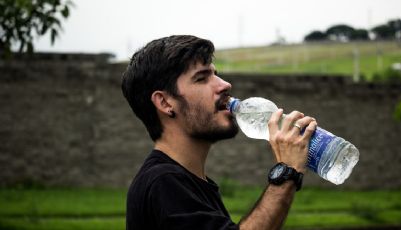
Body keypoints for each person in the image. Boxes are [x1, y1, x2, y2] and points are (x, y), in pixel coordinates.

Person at [122, 35, 317, 230]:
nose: (224, 85)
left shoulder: (189, 181)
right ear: (165, 103)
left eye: (215, 74)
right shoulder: (163, 182)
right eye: (201, 78)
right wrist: (286, 172)